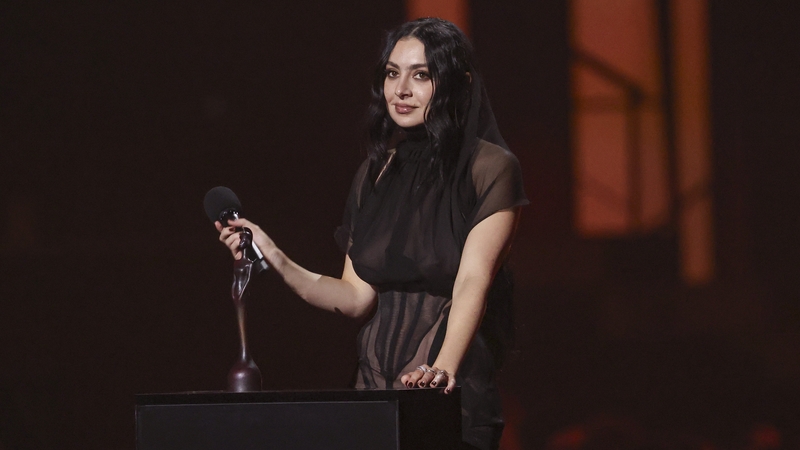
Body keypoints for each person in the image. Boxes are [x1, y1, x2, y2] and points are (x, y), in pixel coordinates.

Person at [216, 18, 528, 450]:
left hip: (448, 394)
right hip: (373, 395)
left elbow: (474, 278)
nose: (400, 89)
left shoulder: (490, 168)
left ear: (457, 83)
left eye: (421, 75)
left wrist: (442, 369)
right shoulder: (375, 173)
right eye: (392, 72)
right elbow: (354, 298)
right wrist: (272, 253)